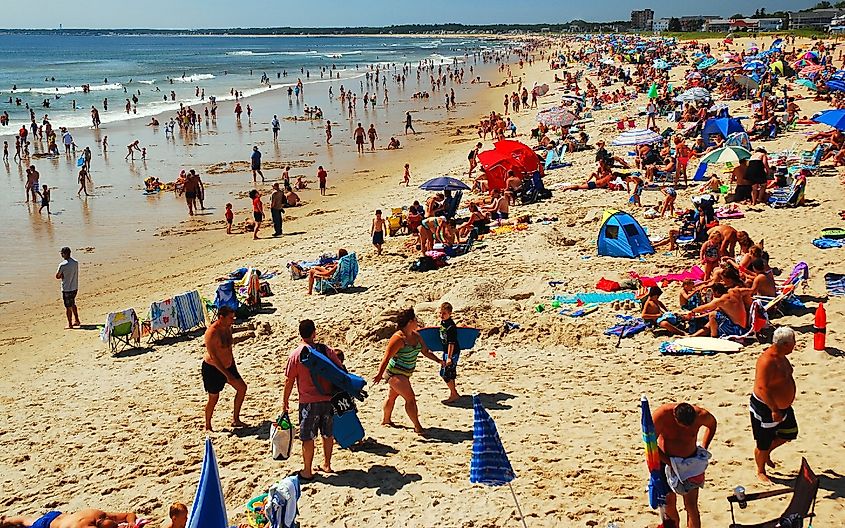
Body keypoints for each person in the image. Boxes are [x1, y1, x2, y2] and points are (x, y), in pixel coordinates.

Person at [282, 319, 344, 480]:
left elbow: (289, 380)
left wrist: (285, 401)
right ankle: (327, 465)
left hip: (308, 402)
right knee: (327, 434)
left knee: (308, 437)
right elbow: (340, 368)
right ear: (314, 333)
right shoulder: (325, 350)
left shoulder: (296, 354)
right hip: (328, 399)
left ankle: (307, 470)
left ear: (300, 334)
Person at [373, 308, 441, 434]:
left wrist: (439, 361)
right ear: (410, 322)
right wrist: (378, 375)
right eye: (415, 319)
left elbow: (426, 351)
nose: (417, 321)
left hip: (406, 373)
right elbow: (386, 358)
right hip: (394, 373)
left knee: (392, 396)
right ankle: (418, 426)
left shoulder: (416, 335)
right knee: (410, 398)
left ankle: (386, 420)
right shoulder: (398, 338)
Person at [652, 402, 717, 528]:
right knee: (669, 504)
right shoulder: (661, 416)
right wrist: (668, 462)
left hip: (690, 464)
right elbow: (649, 443)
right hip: (666, 463)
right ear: (675, 418)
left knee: (691, 506)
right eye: (683, 426)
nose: (686, 429)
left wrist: (704, 447)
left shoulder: (701, 415)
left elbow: (712, 425)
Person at [750, 326, 798, 482]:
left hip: (783, 407)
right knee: (763, 443)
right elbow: (761, 388)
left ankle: (766, 453)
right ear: (784, 344)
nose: (795, 344)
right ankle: (760, 470)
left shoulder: (782, 356)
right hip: (767, 408)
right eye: (793, 342)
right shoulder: (766, 361)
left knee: (790, 433)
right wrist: (774, 409)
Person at [202, 306, 247, 431]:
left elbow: (228, 348)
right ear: (221, 317)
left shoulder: (228, 328)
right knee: (213, 398)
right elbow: (214, 356)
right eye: (230, 318)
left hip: (229, 365)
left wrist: (232, 365)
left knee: (242, 388)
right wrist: (227, 374)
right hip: (213, 369)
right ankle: (208, 425)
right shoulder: (212, 333)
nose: (233, 320)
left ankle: (236, 419)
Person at [1, 509, 137, 528]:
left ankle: (6, 520)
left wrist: (130, 521)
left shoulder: (98, 514)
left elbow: (128, 514)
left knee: (28, 520)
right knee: (29, 523)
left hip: (56, 515)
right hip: (46, 526)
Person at [439, 302, 461, 404]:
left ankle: (454, 394)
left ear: (450, 313)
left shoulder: (451, 326)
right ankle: (453, 393)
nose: (441, 315)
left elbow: (451, 343)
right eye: (440, 313)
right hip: (446, 352)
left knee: (446, 374)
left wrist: (449, 357)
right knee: (448, 373)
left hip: (452, 352)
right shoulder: (443, 323)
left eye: (444, 313)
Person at [55, 247, 80, 329]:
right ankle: (76, 320)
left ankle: (70, 324)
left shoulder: (62, 265)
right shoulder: (75, 262)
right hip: (74, 287)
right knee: (72, 304)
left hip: (67, 288)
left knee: (68, 307)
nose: (61, 254)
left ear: (65, 254)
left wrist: (62, 275)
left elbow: (57, 276)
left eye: (62, 253)